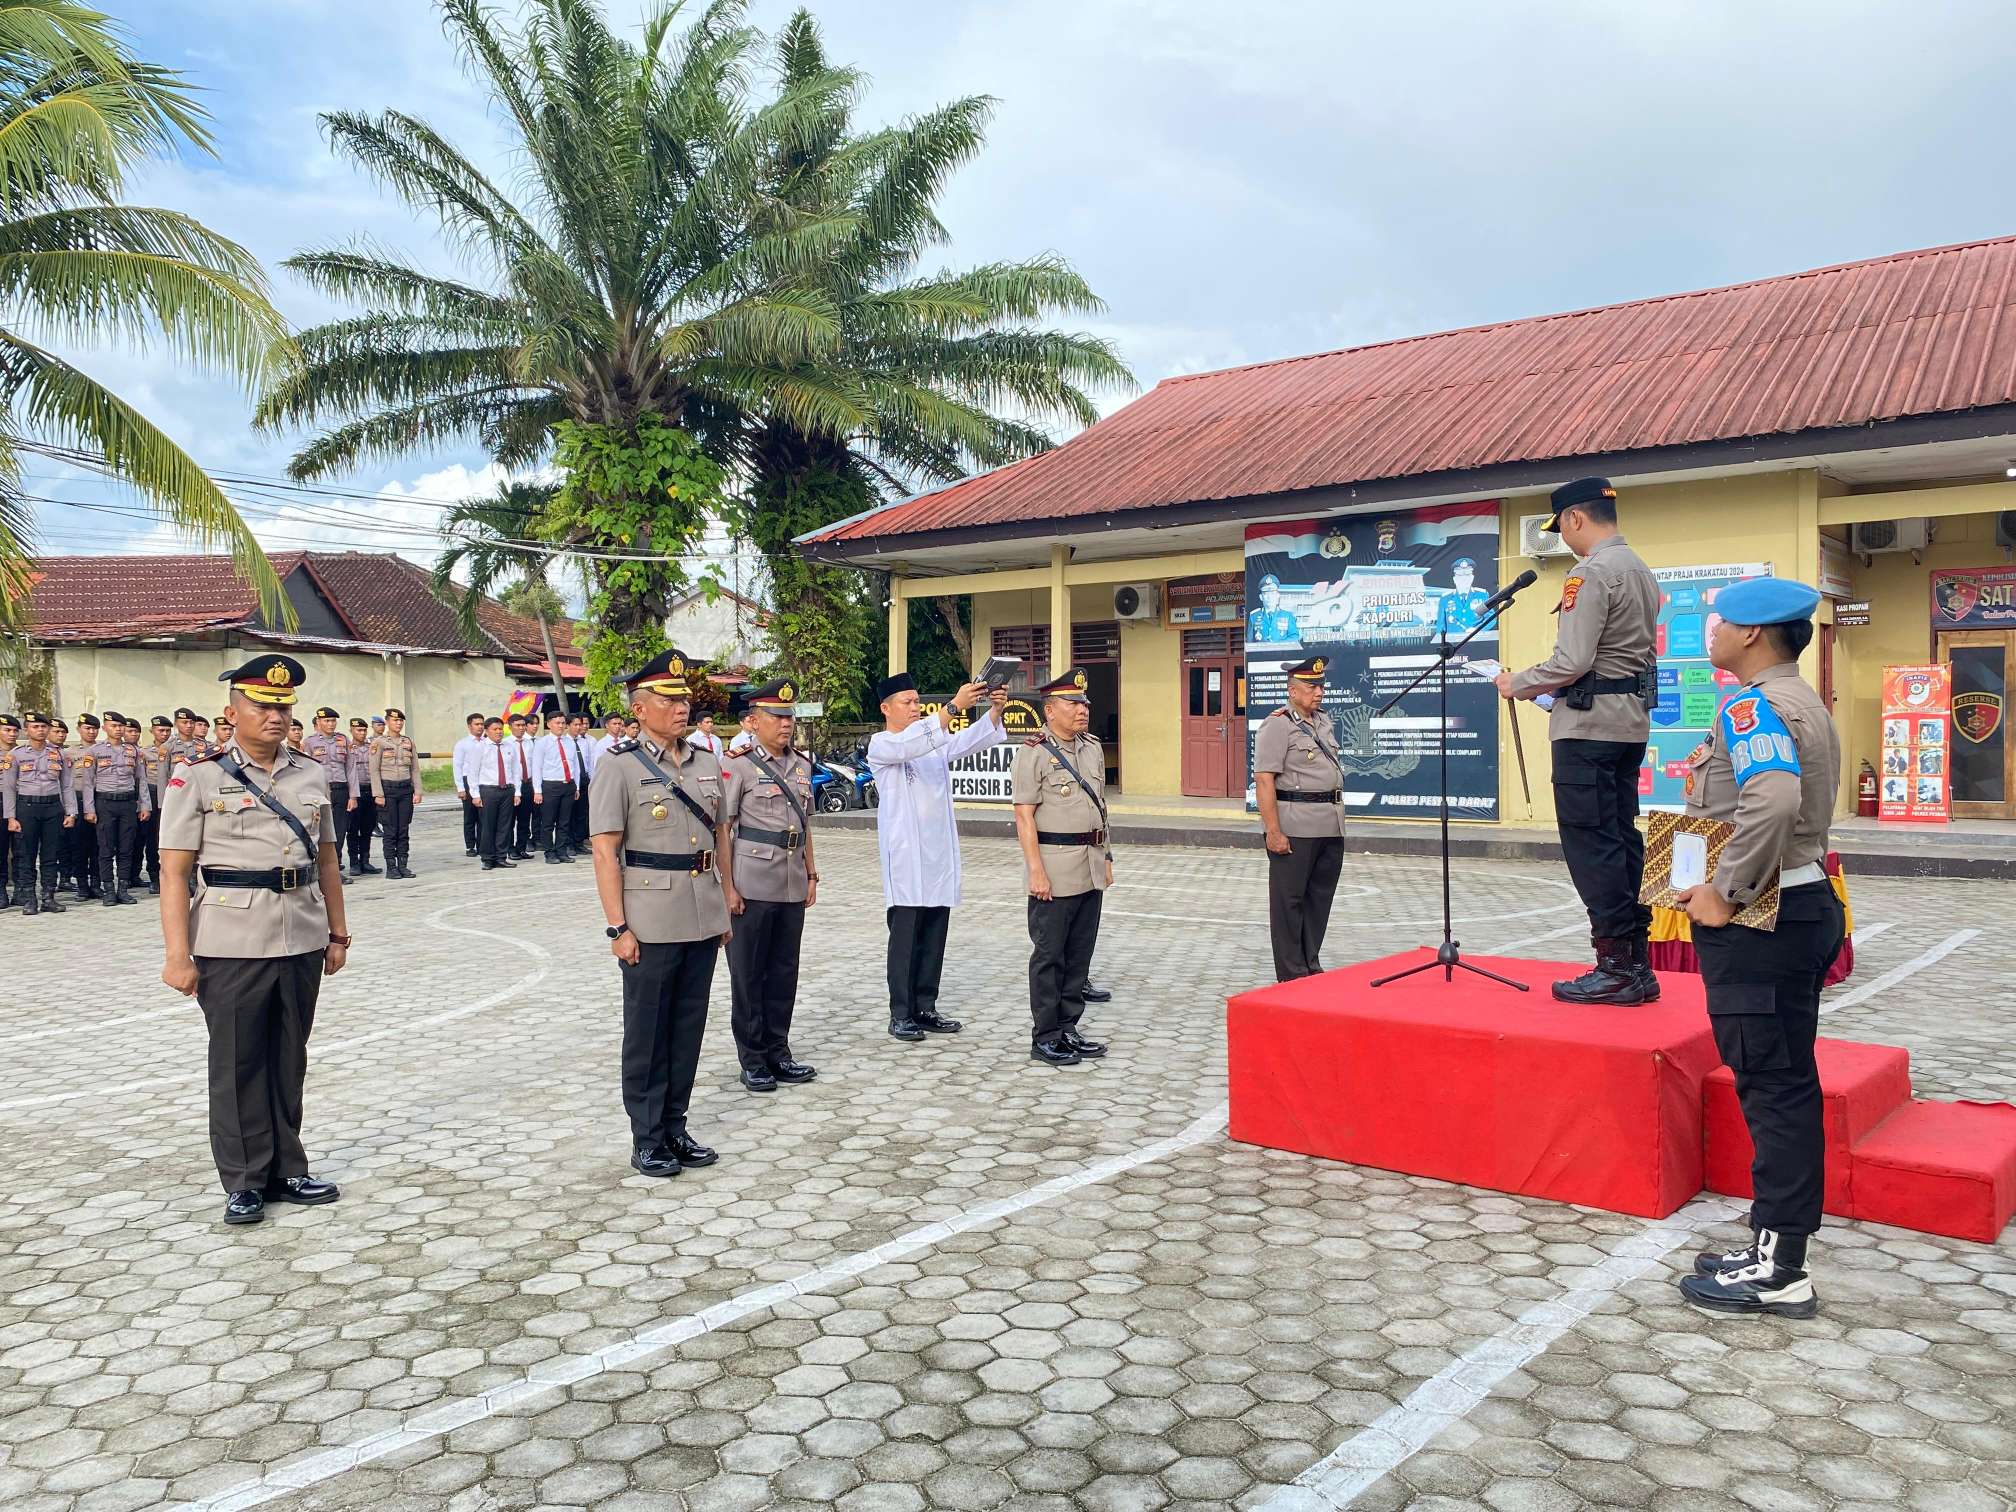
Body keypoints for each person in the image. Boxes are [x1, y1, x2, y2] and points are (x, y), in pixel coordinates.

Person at [1667, 578, 1841, 1319]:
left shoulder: (1754, 704)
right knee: (1784, 1080)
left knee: (1774, 1089)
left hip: (1762, 919)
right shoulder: (1798, 699)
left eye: (1721, 620)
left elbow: (1771, 796)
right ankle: (1773, 1245)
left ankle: (1782, 1271)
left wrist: (1724, 889)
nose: (1710, 628)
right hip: (1799, 904)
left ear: (1753, 636)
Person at [157, 653, 350, 1227]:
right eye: (263, 705)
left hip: (301, 934)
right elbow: (173, 872)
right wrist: (177, 954)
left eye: (283, 706)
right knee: (239, 1062)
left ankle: (288, 1167)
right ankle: (244, 1180)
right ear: (232, 711)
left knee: (290, 1057)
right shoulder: (199, 776)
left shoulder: (310, 772)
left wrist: (338, 932)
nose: (275, 715)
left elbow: (328, 858)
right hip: (229, 937)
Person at [1496, 476, 1661, 1004]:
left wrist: (1516, 683)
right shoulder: (1639, 569)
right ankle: (1637, 960)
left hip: (1587, 729)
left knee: (1592, 846)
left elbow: (1572, 661)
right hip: (1628, 724)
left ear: (1574, 519)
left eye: (1562, 528)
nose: (1564, 538)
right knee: (1620, 838)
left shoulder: (1589, 575)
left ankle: (1614, 966)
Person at [588, 649, 729, 1179]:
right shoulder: (619, 767)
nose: (682, 707)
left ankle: (675, 1124)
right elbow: (605, 850)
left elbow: (721, 837)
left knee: (688, 1025)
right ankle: (647, 1136)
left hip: (701, 910)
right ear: (640, 709)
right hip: (649, 915)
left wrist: (726, 904)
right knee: (648, 1029)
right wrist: (618, 925)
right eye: (669, 700)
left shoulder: (706, 762)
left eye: (685, 698)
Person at [867, 672, 1007, 1040]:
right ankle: (901, 1013)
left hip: (937, 852)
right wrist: (955, 705)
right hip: (907, 856)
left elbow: (965, 742)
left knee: (934, 931)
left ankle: (926, 1005)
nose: (915, 707)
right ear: (886, 708)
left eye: (917, 701)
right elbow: (911, 744)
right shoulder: (881, 744)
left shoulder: (930, 739)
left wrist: (993, 712)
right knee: (906, 934)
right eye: (907, 702)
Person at [717, 677, 819, 1094]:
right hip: (751, 880)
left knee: (783, 972)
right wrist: (727, 888)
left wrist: (811, 873)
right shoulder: (737, 763)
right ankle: (753, 1058)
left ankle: (779, 1051)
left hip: (792, 879)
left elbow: (806, 823)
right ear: (753, 721)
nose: (785, 724)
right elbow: (722, 828)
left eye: (789, 716)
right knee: (748, 974)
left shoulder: (802, 764)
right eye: (776, 716)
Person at [1012, 668, 1113, 1067]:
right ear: (1050, 710)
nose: (1082, 710)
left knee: (1079, 956)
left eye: (1084, 703)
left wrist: (1107, 857)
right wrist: (1035, 870)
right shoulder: (1034, 752)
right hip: (1053, 868)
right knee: (1050, 956)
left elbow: (1101, 808)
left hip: (1089, 865)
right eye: (1073, 703)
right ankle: (1046, 1035)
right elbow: (1023, 816)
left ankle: (1069, 1027)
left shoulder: (1092, 748)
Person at [1253, 655, 1347, 981]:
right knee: (1288, 903)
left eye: (1320, 685)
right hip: (1295, 826)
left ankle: (1310, 964)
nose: (1318, 691)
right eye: (1310, 686)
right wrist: (1273, 831)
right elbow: (1264, 779)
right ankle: (1292, 973)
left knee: (1319, 900)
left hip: (1330, 824)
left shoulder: (1323, 721)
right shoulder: (1277, 725)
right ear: (1293, 691)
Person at [3, 712, 76, 915]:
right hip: (26, 807)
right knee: (26, 855)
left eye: (43, 727)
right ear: (27, 730)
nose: (40, 730)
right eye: (35, 727)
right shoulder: (16, 755)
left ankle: (48, 897)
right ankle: (29, 899)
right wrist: (10, 817)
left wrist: (71, 812)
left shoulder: (59, 754)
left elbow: (67, 785)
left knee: (50, 854)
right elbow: (8, 788)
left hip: (53, 807)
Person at [80, 711, 149, 906]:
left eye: (121, 726)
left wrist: (145, 805)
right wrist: (89, 809)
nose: (118, 729)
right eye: (114, 726)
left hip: (127, 803)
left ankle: (123, 889)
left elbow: (141, 780)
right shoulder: (94, 751)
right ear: (105, 728)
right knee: (106, 848)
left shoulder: (133, 751)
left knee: (126, 847)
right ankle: (109, 889)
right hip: (105, 803)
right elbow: (87, 783)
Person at [301, 707, 361, 880]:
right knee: (322, 831)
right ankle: (321, 869)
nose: (331, 724)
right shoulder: (310, 742)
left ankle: (336, 869)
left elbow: (351, 768)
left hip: (341, 789)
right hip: (320, 792)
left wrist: (353, 795)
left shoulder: (343, 740)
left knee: (340, 831)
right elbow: (307, 770)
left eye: (333, 720)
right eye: (327, 720)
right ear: (318, 722)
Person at [370, 709, 421, 879]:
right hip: (388, 789)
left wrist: (418, 791)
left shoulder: (408, 742)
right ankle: (391, 867)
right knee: (390, 830)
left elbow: (414, 768)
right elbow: (374, 770)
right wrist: (378, 793)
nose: (398, 723)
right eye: (394, 720)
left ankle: (403, 865)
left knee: (403, 829)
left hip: (405, 789)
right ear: (387, 722)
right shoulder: (379, 742)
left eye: (400, 720)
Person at [473, 717, 525, 869]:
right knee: (488, 825)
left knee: (505, 825)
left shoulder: (509, 746)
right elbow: (473, 772)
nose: (498, 732)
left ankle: (501, 856)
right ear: (487, 731)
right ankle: (487, 858)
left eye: (500, 729)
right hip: (488, 790)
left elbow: (516, 770)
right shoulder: (481, 747)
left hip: (507, 790)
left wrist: (517, 792)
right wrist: (475, 794)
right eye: (495, 729)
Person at [532, 708, 581, 864]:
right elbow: (536, 767)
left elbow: (575, 766)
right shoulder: (542, 743)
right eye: (557, 723)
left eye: (563, 723)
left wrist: (577, 787)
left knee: (564, 821)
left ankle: (562, 850)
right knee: (548, 821)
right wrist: (537, 791)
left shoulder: (569, 742)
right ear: (549, 724)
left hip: (568, 785)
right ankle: (549, 852)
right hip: (550, 785)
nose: (561, 726)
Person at [346, 718, 382, 875]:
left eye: (364, 730)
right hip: (355, 792)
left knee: (367, 828)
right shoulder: (347, 748)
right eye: (358, 730)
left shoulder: (371, 747)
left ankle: (365, 861)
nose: (361, 733)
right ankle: (354, 862)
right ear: (351, 731)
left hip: (370, 790)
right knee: (353, 829)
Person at [140, 716, 173, 892]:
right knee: (153, 837)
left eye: (168, 730)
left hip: (173, 792)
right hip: (152, 793)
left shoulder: (176, 749)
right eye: (161, 730)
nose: (164, 734)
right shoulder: (144, 752)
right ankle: (154, 876)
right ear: (152, 731)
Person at [452, 713, 485, 856]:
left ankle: (482, 844)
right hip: (467, 780)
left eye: (482, 724)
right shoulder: (462, 744)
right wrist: (460, 787)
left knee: (483, 816)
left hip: (484, 780)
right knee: (470, 816)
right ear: (469, 726)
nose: (480, 727)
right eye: (477, 724)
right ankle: (470, 846)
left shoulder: (487, 742)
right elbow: (457, 766)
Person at [508, 712, 538, 860]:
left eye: (523, 725)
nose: (521, 728)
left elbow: (535, 765)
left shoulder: (529, 743)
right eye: (517, 725)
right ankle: (510, 848)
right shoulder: (506, 743)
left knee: (525, 819)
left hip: (528, 785)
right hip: (513, 786)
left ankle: (521, 847)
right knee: (509, 820)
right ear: (510, 727)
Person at [1436, 557, 1491, 636]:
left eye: (1467, 575)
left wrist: (1477, 630)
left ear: (1472, 577)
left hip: (1477, 640)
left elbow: (1491, 618)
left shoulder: (1482, 595)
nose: (1464, 579)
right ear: (1454, 579)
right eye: (1460, 575)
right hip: (1454, 644)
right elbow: (1441, 626)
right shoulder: (1445, 598)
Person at [567, 713, 594, 856]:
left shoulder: (584, 741)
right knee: (569, 814)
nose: (580, 727)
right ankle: (569, 844)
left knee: (582, 814)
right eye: (576, 724)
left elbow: (589, 763)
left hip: (585, 780)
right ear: (568, 726)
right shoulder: (565, 741)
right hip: (571, 783)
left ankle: (579, 842)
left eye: (581, 724)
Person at [1247, 573, 1300, 643]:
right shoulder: (1254, 617)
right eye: (1266, 593)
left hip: (1282, 653)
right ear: (1261, 597)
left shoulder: (1288, 616)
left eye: (1272, 593)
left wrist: (1277, 645)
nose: (1269, 597)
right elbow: (1249, 641)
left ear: (1278, 595)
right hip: (1261, 653)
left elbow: (1294, 637)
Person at [0, 713, 17, 911]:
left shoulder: (22, 752)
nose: (11, 734)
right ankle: (2, 890)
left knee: (22, 849)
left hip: (21, 801)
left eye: (14, 731)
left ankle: (22, 889)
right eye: (7, 730)